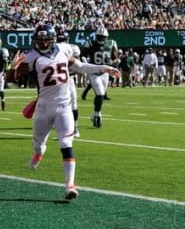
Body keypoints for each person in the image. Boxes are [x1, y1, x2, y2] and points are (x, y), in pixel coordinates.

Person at [13, 24, 120, 200]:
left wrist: (103, 68)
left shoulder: (64, 49)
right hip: (43, 107)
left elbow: (81, 66)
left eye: (45, 39)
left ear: (53, 39)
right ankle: (38, 153)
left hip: (64, 106)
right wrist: (13, 68)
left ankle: (70, 185)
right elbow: (12, 79)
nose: (42, 43)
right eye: (39, 40)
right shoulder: (31, 57)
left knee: (66, 143)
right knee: (38, 144)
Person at [80, 26, 117, 128]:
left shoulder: (111, 44)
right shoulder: (90, 43)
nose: (101, 39)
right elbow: (82, 55)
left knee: (100, 95)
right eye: (100, 37)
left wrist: (113, 63)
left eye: (103, 37)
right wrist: (87, 64)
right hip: (94, 72)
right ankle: (98, 115)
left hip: (105, 73)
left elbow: (115, 57)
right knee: (100, 94)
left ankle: (95, 113)